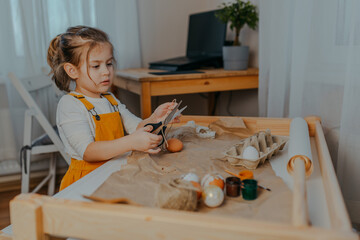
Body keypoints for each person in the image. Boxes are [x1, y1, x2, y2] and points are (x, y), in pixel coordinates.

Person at [47, 26, 179, 190]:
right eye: (96, 66)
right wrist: (132, 142)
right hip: (87, 182)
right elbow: (89, 152)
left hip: (114, 172)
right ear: (72, 70)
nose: (106, 72)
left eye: (108, 64)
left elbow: (135, 128)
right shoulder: (70, 104)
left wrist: (155, 118)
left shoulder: (110, 99)